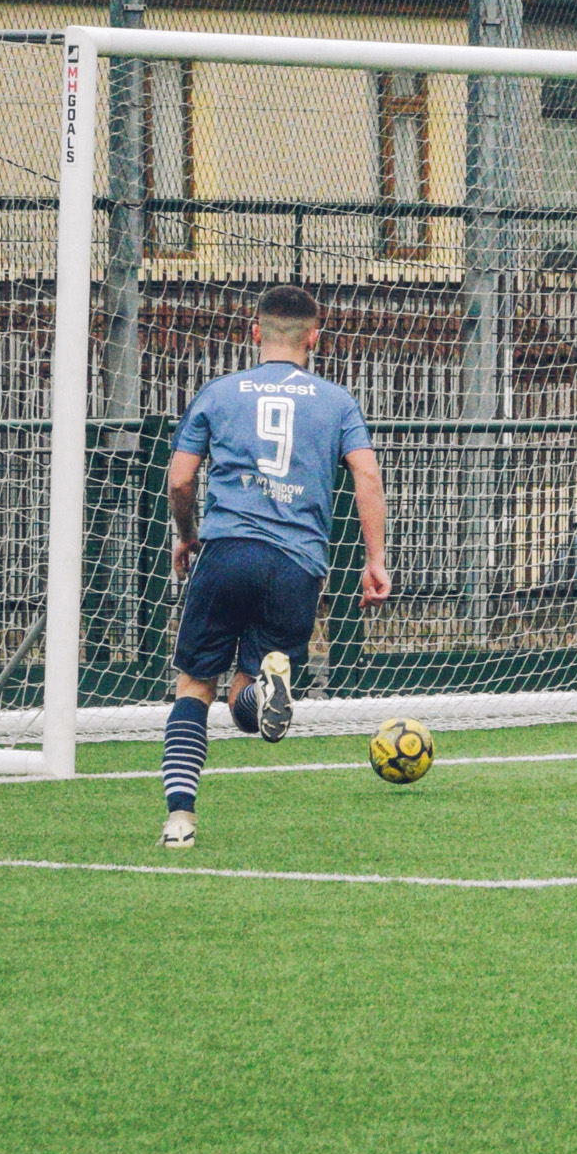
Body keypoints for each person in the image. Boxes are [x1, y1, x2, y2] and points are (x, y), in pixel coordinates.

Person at [158, 285, 392, 848]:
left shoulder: (218, 392)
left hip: (228, 552)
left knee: (195, 687)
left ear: (254, 331)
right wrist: (375, 559)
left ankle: (180, 819)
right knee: (248, 705)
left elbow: (181, 480)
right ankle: (265, 691)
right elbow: (367, 477)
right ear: (316, 337)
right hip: (297, 565)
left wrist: (187, 536)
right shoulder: (337, 402)